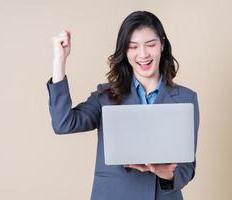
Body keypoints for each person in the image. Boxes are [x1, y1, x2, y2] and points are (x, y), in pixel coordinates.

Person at [47, 11, 199, 200]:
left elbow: (187, 167)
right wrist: (59, 61)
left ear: (162, 44)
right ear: (124, 51)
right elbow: (63, 123)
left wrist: (165, 172)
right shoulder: (106, 96)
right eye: (132, 47)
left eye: (150, 44)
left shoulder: (186, 98)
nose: (143, 54)